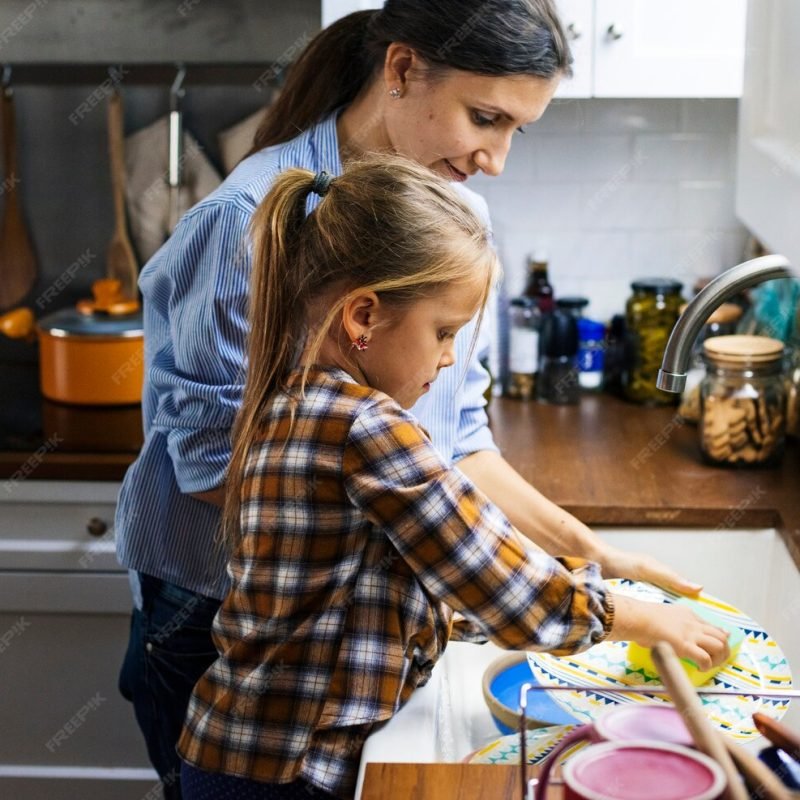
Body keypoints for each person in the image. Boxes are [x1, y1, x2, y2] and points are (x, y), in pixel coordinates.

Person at [115, 2, 703, 795]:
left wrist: (589, 553)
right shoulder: (242, 222)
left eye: (516, 130)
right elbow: (215, 468)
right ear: (400, 69)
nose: (496, 159)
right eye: (485, 117)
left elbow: (458, 439)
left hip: (348, 632)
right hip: (221, 623)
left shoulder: (455, 220)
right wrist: (451, 559)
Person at [176, 156, 729, 799]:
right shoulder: (365, 427)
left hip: (242, 756)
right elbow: (496, 578)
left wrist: (578, 596)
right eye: (444, 333)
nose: (447, 359)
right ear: (363, 317)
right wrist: (643, 620)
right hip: (282, 774)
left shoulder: (295, 401)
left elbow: (405, 590)